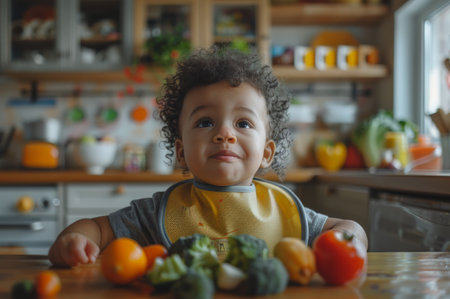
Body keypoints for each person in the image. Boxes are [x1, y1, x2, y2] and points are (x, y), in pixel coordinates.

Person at [48, 46, 368, 267]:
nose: (224, 134)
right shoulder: (157, 212)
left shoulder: (284, 210)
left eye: (243, 123)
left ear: (267, 152)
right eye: (205, 122)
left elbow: (348, 227)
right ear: (182, 151)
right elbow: (97, 229)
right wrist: (73, 240)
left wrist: (346, 239)